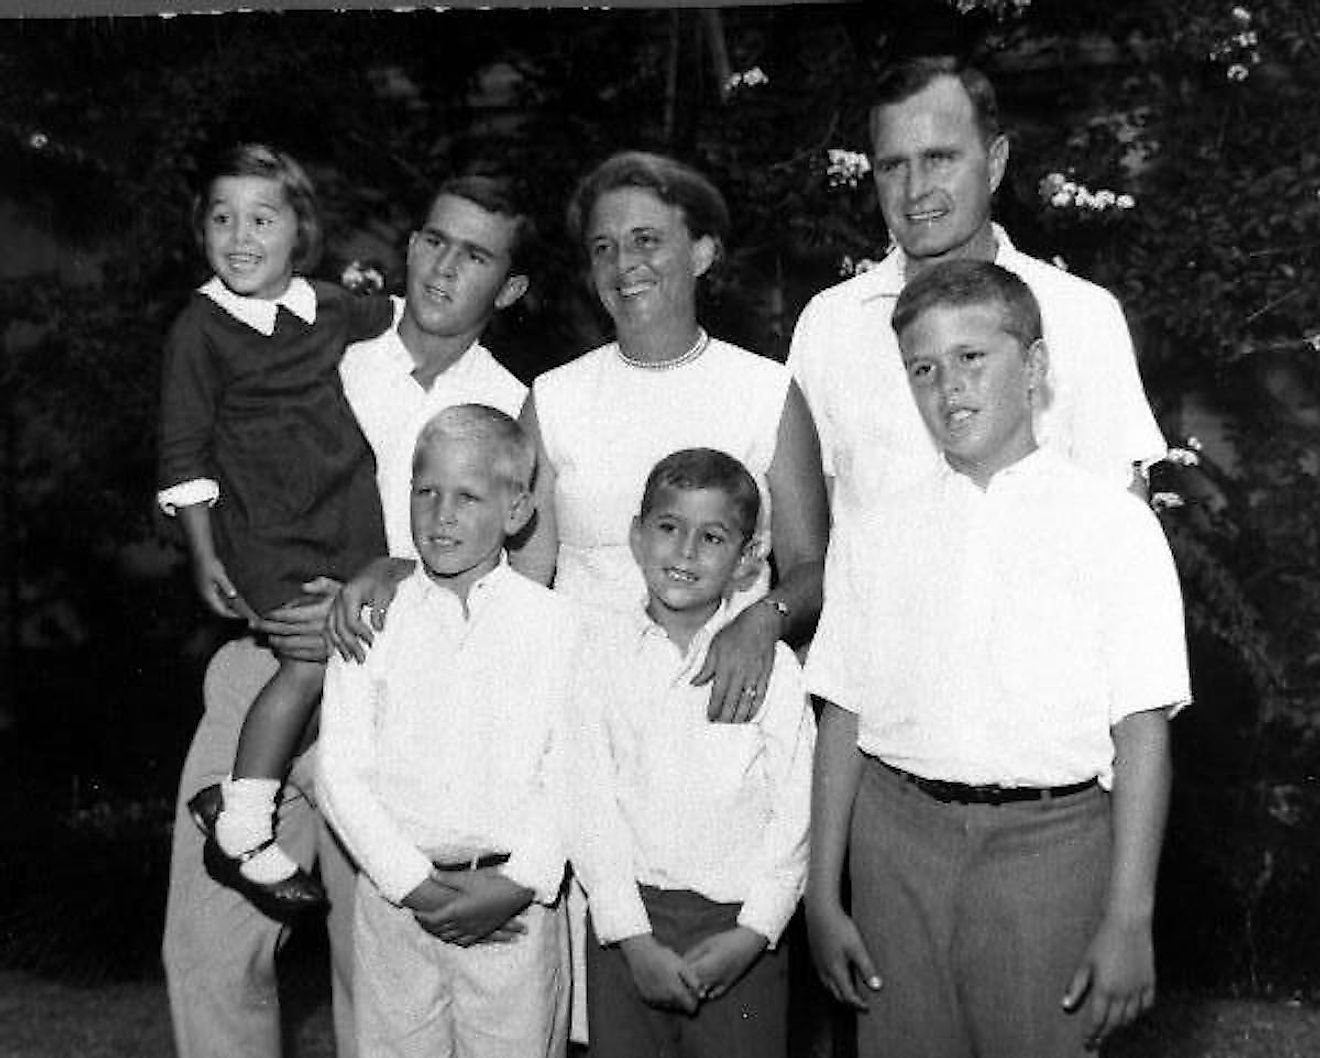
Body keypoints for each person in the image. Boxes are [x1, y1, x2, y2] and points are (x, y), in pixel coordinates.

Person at [162, 171, 536, 1058]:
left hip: (403, 704)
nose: (445, 269)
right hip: (266, 667)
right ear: (409, 246)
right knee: (209, 957)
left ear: (510, 288)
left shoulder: (517, 408)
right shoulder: (319, 339)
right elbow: (203, 452)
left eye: (476, 255)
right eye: (434, 241)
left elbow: (520, 579)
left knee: (378, 980)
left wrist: (385, 581)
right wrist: (238, 569)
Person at [804, 260, 1191, 1058]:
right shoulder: (878, 531)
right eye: (923, 368)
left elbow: (1144, 731)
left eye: (973, 358)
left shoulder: (1110, 526)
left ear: (1037, 369)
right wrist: (822, 894)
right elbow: (843, 711)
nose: (948, 387)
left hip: (1050, 847)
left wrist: (1128, 916)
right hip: (896, 842)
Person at [787, 55, 1167, 597]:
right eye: (893, 166)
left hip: (1039, 659)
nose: (915, 190)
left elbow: (1125, 539)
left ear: (994, 164)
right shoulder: (831, 324)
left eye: (940, 159)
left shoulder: (1080, 316)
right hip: (879, 663)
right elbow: (809, 546)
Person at [157, 142, 393, 904]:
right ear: (201, 233)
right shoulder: (199, 329)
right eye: (222, 218)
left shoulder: (324, 305)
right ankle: (241, 825)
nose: (240, 236)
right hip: (266, 530)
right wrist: (203, 552)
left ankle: (245, 787)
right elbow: (183, 448)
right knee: (310, 666)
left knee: (365, 667)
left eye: (263, 218)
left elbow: (396, 310)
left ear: (302, 231)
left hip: (346, 515)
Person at [319, 404, 578, 1058]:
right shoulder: (375, 620)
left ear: (517, 509)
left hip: (513, 909)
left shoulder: (554, 626)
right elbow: (340, 772)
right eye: (426, 491)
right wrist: (414, 884)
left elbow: (576, 770)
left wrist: (521, 882)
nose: (442, 515)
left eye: (468, 496)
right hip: (397, 902)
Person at [572, 448, 815, 1058]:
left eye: (711, 536)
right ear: (635, 535)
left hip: (740, 927)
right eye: (668, 528)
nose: (684, 553)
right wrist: (630, 937)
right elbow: (587, 801)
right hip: (630, 924)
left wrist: (756, 929)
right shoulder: (598, 657)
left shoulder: (774, 668)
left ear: (748, 557)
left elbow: (796, 805)